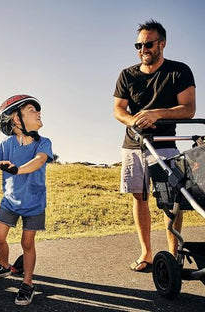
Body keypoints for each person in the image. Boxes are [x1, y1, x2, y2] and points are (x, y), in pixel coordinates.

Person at [113, 20, 196, 272]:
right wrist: (134, 121)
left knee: (170, 201)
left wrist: (156, 114)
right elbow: (118, 109)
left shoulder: (179, 71)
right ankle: (146, 253)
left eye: (148, 44)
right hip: (133, 145)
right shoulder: (127, 75)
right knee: (139, 197)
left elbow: (189, 109)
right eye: (138, 45)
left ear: (162, 44)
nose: (143, 49)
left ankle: (173, 256)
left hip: (164, 145)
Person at [0, 95, 53, 305]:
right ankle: (4, 266)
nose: (38, 113)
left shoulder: (43, 143)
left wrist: (17, 169)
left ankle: (27, 283)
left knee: (27, 243)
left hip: (34, 201)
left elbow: (39, 161)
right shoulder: (7, 143)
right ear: (16, 120)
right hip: (10, 199)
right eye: (31, 110)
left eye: (37, 111)